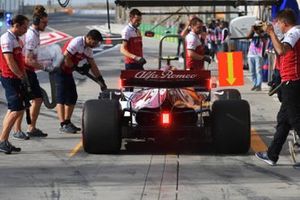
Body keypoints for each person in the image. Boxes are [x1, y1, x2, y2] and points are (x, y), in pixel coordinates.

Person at [255, 9, 300, 165]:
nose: (278, 27)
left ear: (284, 22)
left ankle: (272, 154)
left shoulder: (294, 33)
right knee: (284, 120)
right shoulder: (294, 33)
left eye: (279, 24)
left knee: (295, 120)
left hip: (292, 82)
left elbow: (281, 50)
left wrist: (271, 33)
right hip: (291, 81)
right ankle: (272, 154)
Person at [55, 29, 107, 134]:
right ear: (89, 38)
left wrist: (100, 80)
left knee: (72, 96)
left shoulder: (87, 49)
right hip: (59, 69)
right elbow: (66, 57)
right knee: (61, 97)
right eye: (95, 42)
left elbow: (93, 65)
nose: (96, 45)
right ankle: (63, 124)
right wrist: (76, 67)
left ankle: (68, 121)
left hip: (68, 71)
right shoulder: (77, 42)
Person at [11, 5, 50, 140]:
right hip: (26, 70)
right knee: (26, 100)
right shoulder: (32, 36)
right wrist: (45, 67)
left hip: (29, 70)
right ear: (37, 22)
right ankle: (19, 129)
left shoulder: (35, 33)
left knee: (36, 99)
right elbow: (28, 59)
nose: (46, 25)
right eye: (44, 22)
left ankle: (31, 128)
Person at [0, 15, 29, 154]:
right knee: (16, 108)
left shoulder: (17, 39)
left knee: (13, 109)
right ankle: (1, 141)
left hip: (16, 77)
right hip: (9, 77)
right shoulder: (6, 38)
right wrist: (20, 75)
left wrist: (24, 76)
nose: (26, 30)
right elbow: (10, 61)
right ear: (16, 25)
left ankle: (4, 140)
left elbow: (20, 60)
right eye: (24, 27)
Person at [247, 20, 267, 91]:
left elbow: (264, 40)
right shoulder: (253, 33)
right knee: (252, 71)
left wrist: (258, 32)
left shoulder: (264, 33)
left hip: (259, 54)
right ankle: (255, 84)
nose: (258, 28)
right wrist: (252, 30)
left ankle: (259, 85)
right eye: (257, 27)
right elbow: (247, 37)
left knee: (258, 70)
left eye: (259, 27)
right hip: (251, 54)